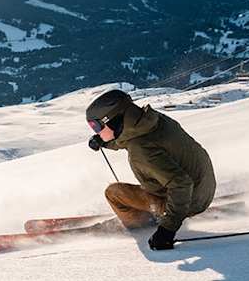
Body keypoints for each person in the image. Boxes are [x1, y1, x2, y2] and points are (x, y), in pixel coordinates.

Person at [85, 89, 216, 250]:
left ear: (112, 120)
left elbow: (181, 184)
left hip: (188, 201)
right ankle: (165, 210)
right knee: (154, 177)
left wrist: (166, 230)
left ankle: (142, 221)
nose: (96, 131)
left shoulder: (140, 148)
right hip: (204, 189)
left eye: (96, 126)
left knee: (114, 193)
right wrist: (104, 142)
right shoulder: (152, 120)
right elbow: (131, 139)